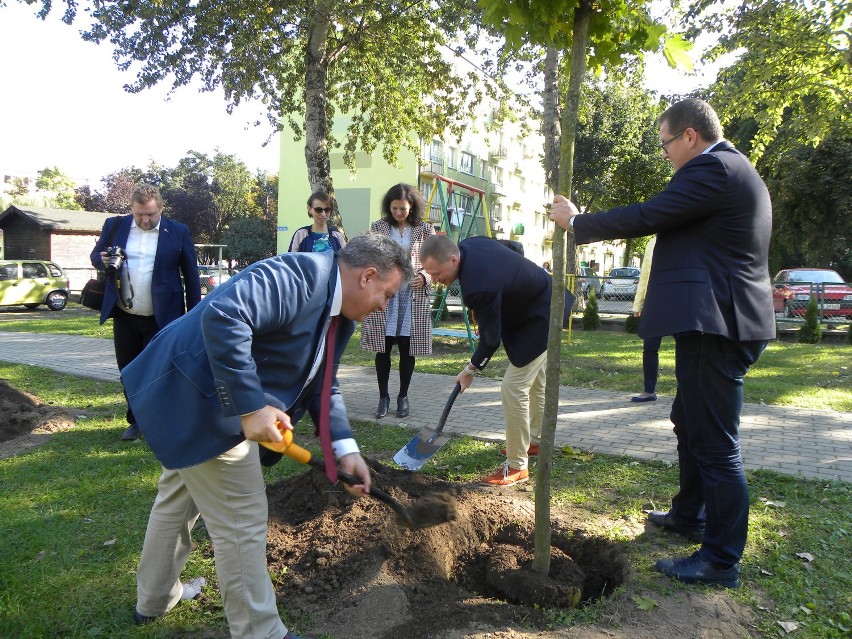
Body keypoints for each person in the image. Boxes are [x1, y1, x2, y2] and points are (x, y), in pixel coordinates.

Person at [121, 234, 412, 639]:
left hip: (204, 403)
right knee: (243, 520)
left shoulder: (339, 313)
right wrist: (250, 406)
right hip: (197, 400)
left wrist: (344, 448)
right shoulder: (299, 275)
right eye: (388, 294)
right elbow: (224, 316)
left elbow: (322, 382)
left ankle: (154, 600)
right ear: (367, 276)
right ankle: (261, 632)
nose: (385, 306)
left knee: (176, 500)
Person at [549, 98, 776, 588]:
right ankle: (688, 515)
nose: (667, 154)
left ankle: (720, 560)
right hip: (716, 321)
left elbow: (650, 214)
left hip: (719, 324)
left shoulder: (714, 169)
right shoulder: (729, 171)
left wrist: (578, 222)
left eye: (666, 144)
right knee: (688, 423)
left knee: (716, 445)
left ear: (690, 136)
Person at [420, 234, 551, 487]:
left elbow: (491, 341)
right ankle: (534, 441)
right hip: (543, 295)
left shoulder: (478, 286)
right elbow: (515, 248)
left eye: (436, 273)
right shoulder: (472, 242)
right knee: (536, 383)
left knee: (513, 387)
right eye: (429, 274)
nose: (434, 281)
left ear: (453, 258)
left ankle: (516, 466)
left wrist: (470, 370)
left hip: (540, 315)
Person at [90, 183, 201, 442]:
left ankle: (161, 420)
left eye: (150, 214)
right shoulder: (115, 226)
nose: (145, 219)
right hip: (125, 315)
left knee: (159, 372)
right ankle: (136, 421)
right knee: (128, 371)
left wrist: (194, 315)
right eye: (140, 214)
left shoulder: (178, 231)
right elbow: (96, 254)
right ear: (132, 209)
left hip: (163, 318)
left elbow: (191, 277)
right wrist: (103, 260)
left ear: (160, 208)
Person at [359, 183, 436, 419]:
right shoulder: (378, 227)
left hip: (411, 296)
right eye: (394, 209)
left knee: (407, 348)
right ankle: (383, 397)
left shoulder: (425, 229)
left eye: (402, 209)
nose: (398, 213)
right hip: (385, 294)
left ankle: (403, 397)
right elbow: (369, 257)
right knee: (382, 348)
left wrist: (424, 277)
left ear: (411, 206)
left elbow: (436, 262)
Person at [630, 235, 661, 403]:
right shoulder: (652, 242)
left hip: (678, 300)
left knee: (685, 348)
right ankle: (649, 390)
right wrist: (638, 304)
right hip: (653, 300)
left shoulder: (685, 237)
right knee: (650, 347)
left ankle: (685, 391)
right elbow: (645, 275)